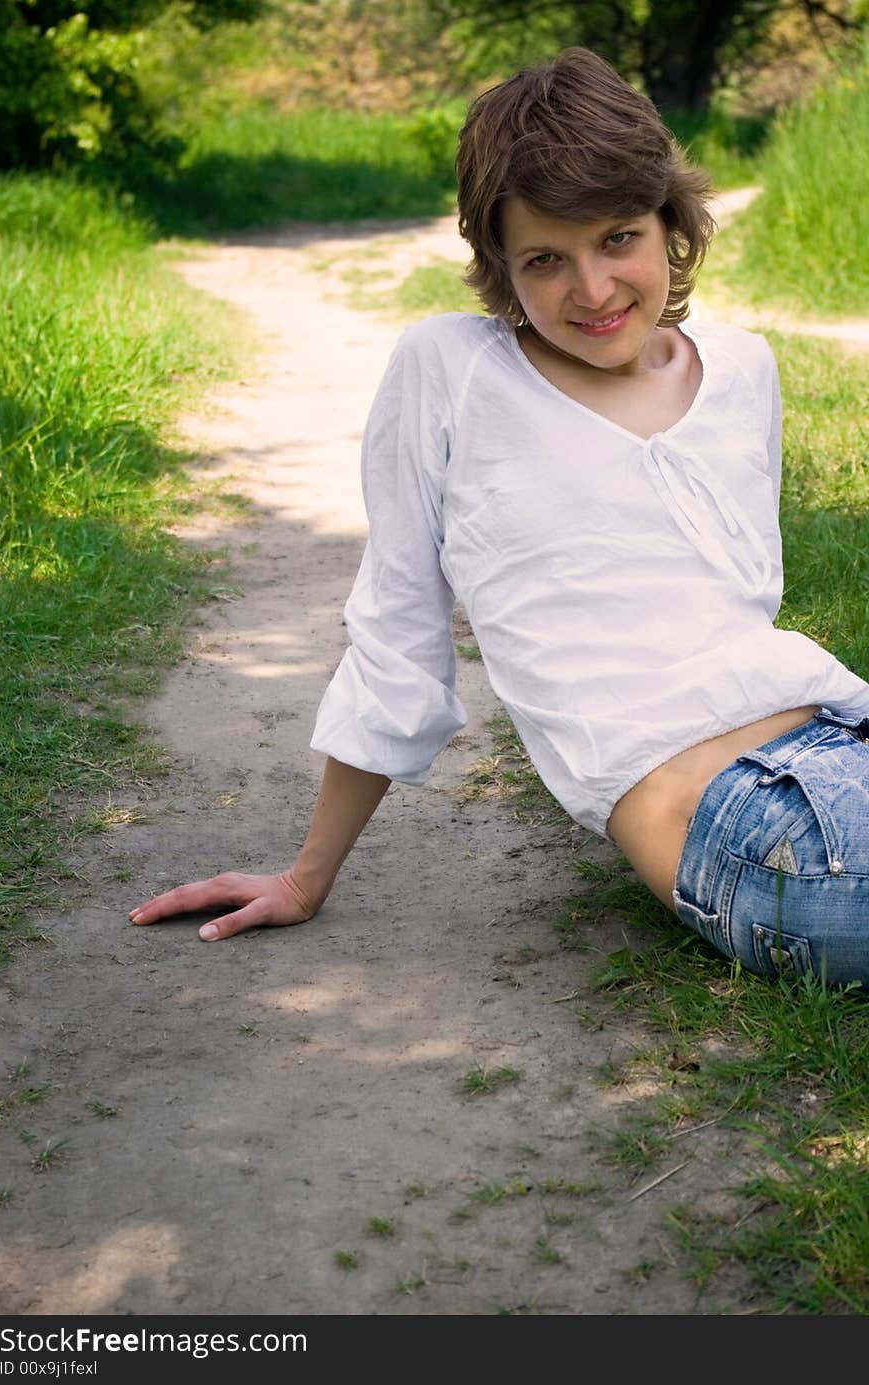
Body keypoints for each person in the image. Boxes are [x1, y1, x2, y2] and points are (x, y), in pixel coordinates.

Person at [130, 47, 869, 985]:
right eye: (545, 260)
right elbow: (397, 633)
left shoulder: (743, 366)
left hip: (840, 738)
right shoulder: (451, 374)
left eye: (617, 239)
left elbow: (738, 607)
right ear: (497, 263)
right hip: (755, 836)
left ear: (669, 223)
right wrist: (306, 876)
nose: (593, 291)